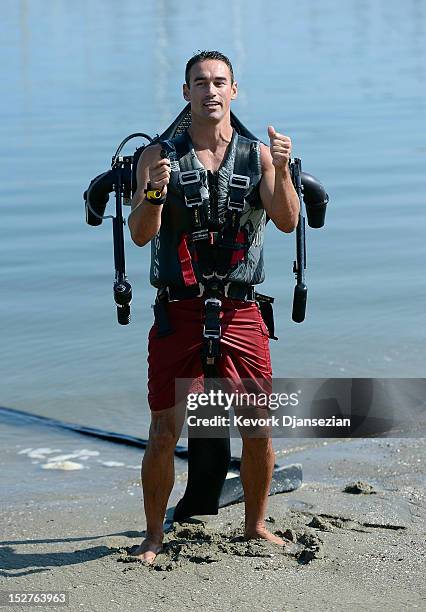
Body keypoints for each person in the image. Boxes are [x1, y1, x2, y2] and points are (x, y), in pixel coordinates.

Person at [128, 50, 300, 564]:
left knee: (258, 427)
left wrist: (284, 170)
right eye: (200, 83)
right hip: (176, 311)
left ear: (234, 90)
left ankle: (255, 525)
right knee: (164, 430)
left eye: (219, 82)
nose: (210, 91)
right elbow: (141, 236)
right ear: (186, 93)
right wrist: (155, 191)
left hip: (239, 311)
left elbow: (287, 221)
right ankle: (154, 536)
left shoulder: (259, 155)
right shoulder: (157, 155)